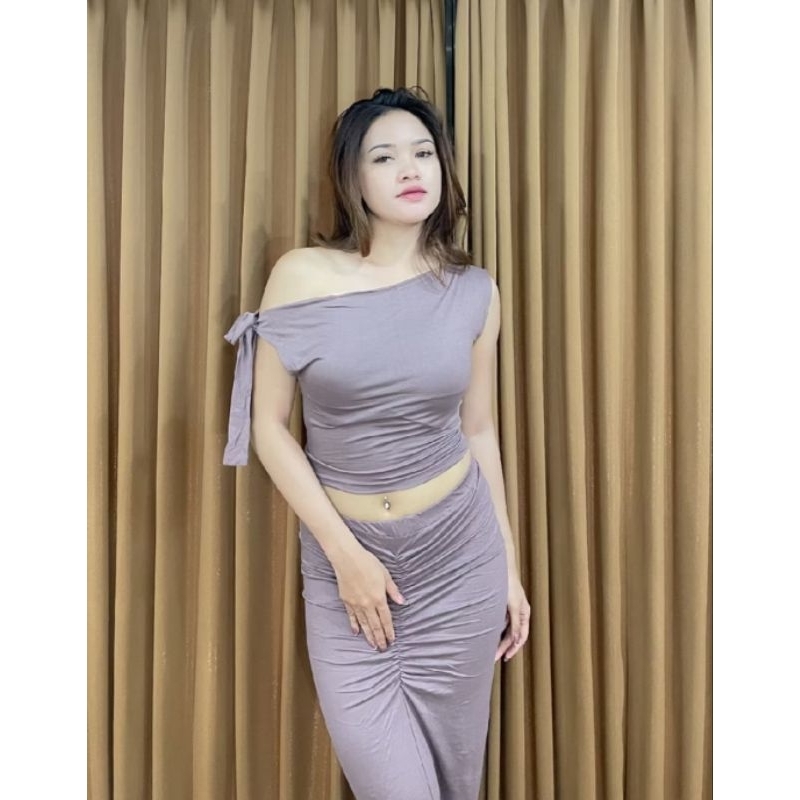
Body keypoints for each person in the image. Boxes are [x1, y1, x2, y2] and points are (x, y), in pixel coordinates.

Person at [223, 87, 530, 800]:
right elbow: (270, 427)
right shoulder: (300, 275)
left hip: (461, 562)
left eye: (423, 153)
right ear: (352, 178)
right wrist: (345, 556)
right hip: (349, 570)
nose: (410, 169)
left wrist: (510, 571)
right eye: (384, 157)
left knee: (453, 783)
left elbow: (479, 430)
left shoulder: (474, 291)